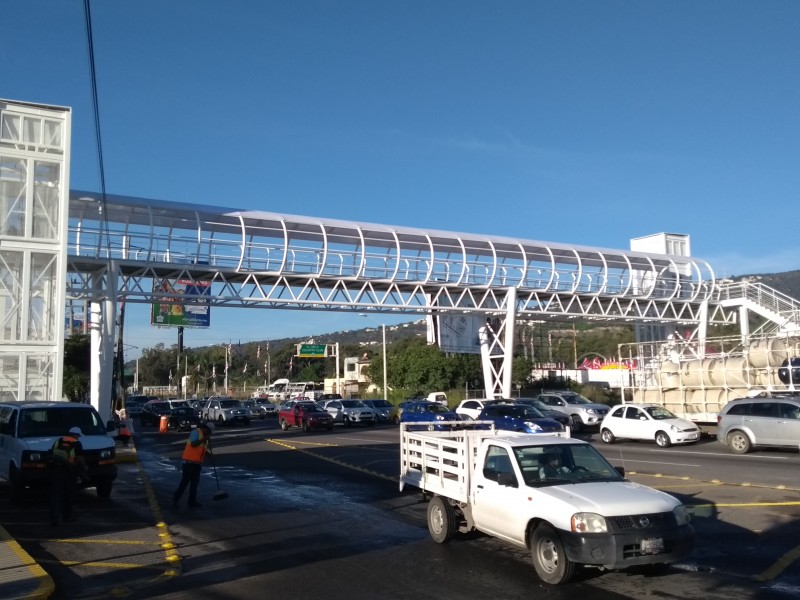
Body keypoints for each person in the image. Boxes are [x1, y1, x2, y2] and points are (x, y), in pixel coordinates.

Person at [48, 426, 88, 526]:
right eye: (78, 436)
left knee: (56, 496)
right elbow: (80, 459)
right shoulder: (77, 443)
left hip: (56, 472)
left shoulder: (58, 441)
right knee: (68, 496)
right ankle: (67, 517)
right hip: (69, 473)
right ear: (75, 435)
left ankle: (54, 518)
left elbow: (52, 454)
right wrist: (84, 469)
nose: (78, 438)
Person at [172, 422, 214, 509]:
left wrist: (208, 454)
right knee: (185, 481)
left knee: (195, 483)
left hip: (197, 463)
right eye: (209, 432)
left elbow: (202, 448)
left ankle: (192, 501)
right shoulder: (196, 432)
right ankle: (176, 499)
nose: (209, 434)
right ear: (206, 429)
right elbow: (193, 444)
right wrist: (204, 439)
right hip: (188, 462)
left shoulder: (204, 437)